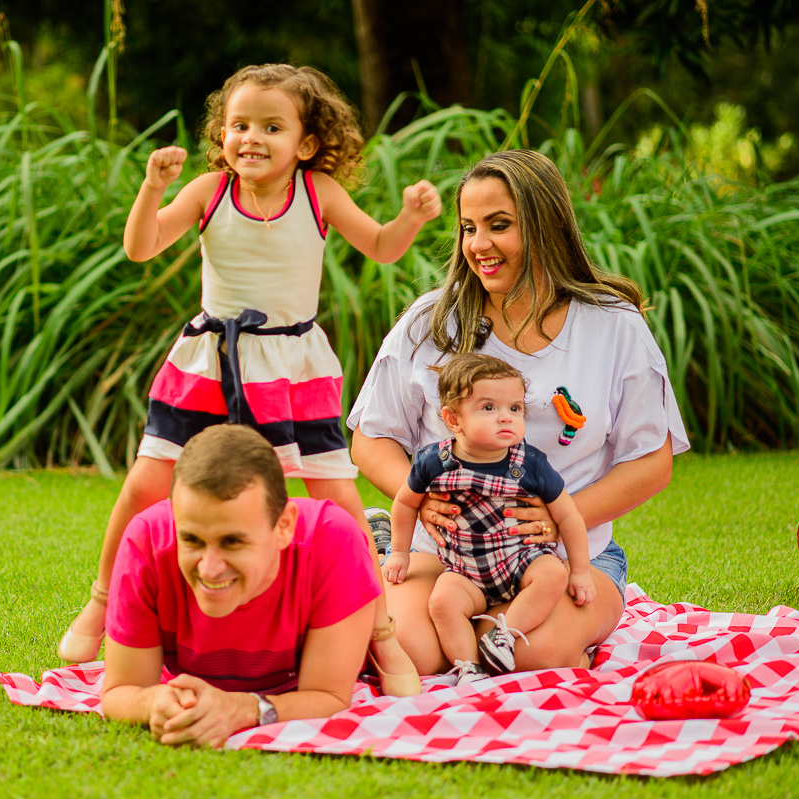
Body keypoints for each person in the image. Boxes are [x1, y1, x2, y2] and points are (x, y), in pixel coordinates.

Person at [61, 64, 441, 696]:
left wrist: (410, 218)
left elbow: (380, 246)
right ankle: (102, 603)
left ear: (307, 143)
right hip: (210, 360)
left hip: (293, 368)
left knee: (339, 504)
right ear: (222, 132)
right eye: (239, 125)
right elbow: (141, 245)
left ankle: (381, 635)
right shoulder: (210, 191)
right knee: (145, 486)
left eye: (271, 126)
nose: (251, 138)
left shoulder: (318, 195)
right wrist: (153, 189)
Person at [348, 149, 690, 675]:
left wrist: (559, 519)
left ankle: (544, 633)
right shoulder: (429, 323)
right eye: (468, 228)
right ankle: (382, 538)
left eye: (498, 225)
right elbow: (371, 439)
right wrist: (416, 502)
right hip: (442, 553)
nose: (478, 245)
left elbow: (651, 462)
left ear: (545, 226)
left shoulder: (613, 326)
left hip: (564, 560)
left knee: (532, 654)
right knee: (410, 651)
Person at [100, 425, 382, 748]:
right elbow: (121, 692)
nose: (209, 567)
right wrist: (153, 703)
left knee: (421, 650)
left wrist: (243, 709)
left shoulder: (334, 541)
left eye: (232, 541)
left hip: (355, 570)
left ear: (283, 527)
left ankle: (379, 542)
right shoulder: (147, 541)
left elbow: (329, 696)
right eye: (191, 539)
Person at [383, 352, 594, 677]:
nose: (506, 417)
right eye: (488, 408)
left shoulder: (529, 463)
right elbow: (406, 503)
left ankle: (504, 633)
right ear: (454, 419)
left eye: (515, 408)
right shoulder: (433, 462)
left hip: (521, 562)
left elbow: (568, 516)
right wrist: (399, 552)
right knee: (442, 602)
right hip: (464, 570)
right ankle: (467, 666)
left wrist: (579, 571)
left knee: (553, 573)